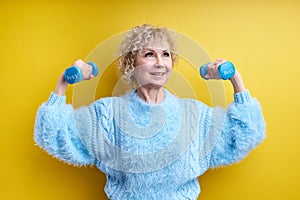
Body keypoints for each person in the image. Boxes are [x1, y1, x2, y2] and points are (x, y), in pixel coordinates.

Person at [34, 24, 266, 200]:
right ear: (130, 64)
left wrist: (236, 81)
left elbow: (244, 135)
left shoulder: (194, 114)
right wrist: (63, 82)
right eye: (149, 54)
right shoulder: (107, 113)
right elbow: (56, 135)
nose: (160, 63)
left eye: (165, 55)